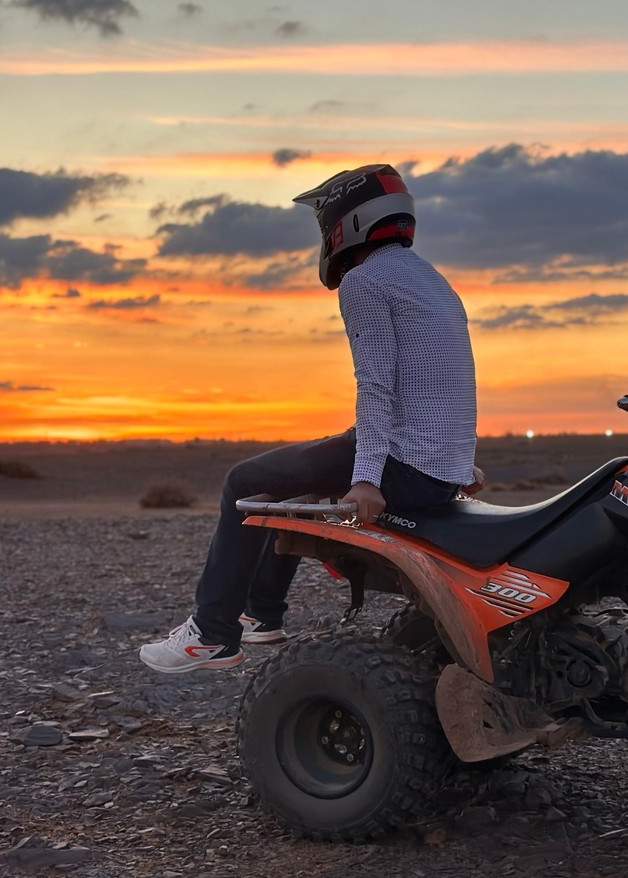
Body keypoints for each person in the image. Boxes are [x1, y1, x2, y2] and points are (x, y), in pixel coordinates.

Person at [139, 164, 479, 673]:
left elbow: (377, 386)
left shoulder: (365, 281)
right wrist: (458, 464)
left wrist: (366, 480)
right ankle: (261, 615)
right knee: (297, 482)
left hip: (400, 465)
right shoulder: (433, 281)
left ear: (346, 222)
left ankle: (210, 634)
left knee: (244, 481)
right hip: (434, 469)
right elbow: (452, 378)